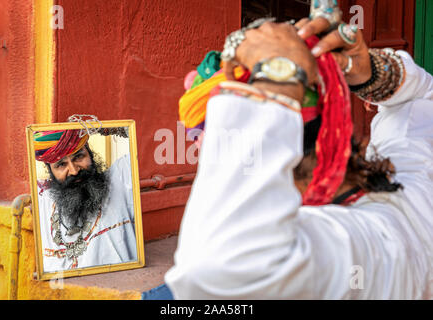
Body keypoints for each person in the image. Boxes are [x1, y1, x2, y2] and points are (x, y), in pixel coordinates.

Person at [164, 13, 433, 299]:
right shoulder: (413, 177)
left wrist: (278, 76)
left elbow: (215, 269)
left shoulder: (349, 247)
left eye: (214, 133)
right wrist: (369, 72)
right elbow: (422, 101)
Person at [34, 129, 138, 272]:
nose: (74, 170)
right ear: (50, 171)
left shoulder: (120, 179)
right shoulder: (43, 199)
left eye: (79, 157)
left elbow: (148, 140)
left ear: (90, 153)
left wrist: (106, 126)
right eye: (61, 165)